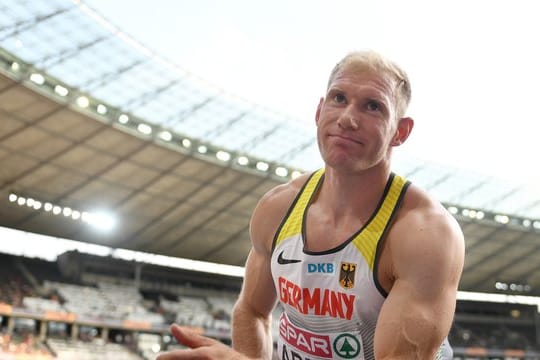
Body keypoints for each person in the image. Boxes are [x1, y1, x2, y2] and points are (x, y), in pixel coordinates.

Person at [157, 50, 465, 360]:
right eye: (338, 98)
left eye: (373, 106)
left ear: (401, 131)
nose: (347, 119)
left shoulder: (426, 234)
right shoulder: (278, 208)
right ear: (319, 111)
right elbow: (251, 311)